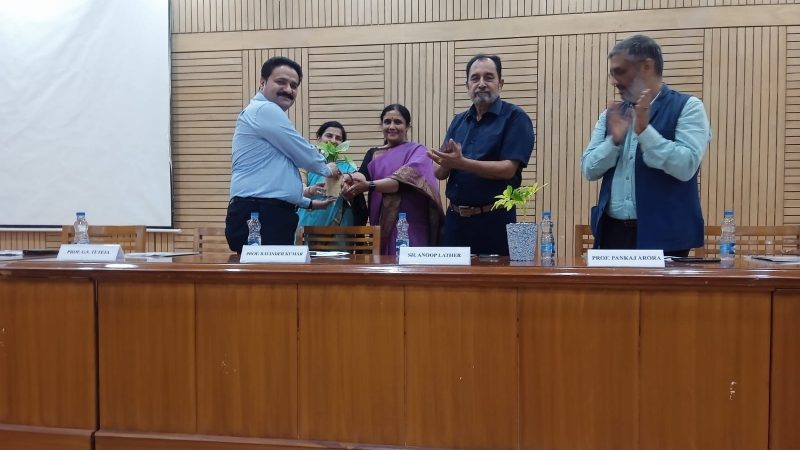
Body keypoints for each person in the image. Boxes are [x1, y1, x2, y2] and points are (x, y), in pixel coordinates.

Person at [581, 34, 712, 257]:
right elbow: (588, 169)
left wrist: (645, 132)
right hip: (613, 234)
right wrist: (613, 141)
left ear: (647, 66)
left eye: (620, 71)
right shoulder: (611, 115)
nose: (614, 81)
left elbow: (686, 166)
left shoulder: (689, 107)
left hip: (667, 236)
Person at [226, 56, 339, 253]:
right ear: (262, 82)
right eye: (281, 82)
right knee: (266, 271)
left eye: (294, 85)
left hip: (265, 211)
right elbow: (301, 151)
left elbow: (273, 177)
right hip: (260, 213)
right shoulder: (265, 109)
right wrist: (327, 168)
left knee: (270, 271)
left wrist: (310, 204)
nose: (288, 89)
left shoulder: (262, 114)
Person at [427, 54, 535, 256]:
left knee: (494, 277)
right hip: (455, 221)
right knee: (450, 277)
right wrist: (447, 162)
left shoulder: (516, 118)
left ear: (500, 83)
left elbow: (508, 169)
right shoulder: (459, 121)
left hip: (494, 220)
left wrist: (462, 163)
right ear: (467, 85)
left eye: (489, 77)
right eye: (475, 78)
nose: (482, 84)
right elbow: (439, 173)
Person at [341, 104, 444, 255]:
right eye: (387, 122)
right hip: (381, 224)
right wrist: (349, 178)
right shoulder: (373, 153)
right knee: (383, 265)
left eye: (398, 122)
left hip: (411, 223)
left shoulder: (418, 152)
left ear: (407, 126)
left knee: (412, 265)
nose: (392, 126)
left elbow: (403, 182)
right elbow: (363, 175)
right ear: (381, 125)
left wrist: (369, 185)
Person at [297, 121, 368, 227]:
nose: (333, 141)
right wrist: (311, 190)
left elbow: (360, 182)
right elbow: (298, 191)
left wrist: (346, 182)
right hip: (307, 222)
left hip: (339, 226)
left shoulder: (347, 166)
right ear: (319, 138)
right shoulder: (307, 163)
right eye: (329, 136)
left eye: (338, 138)